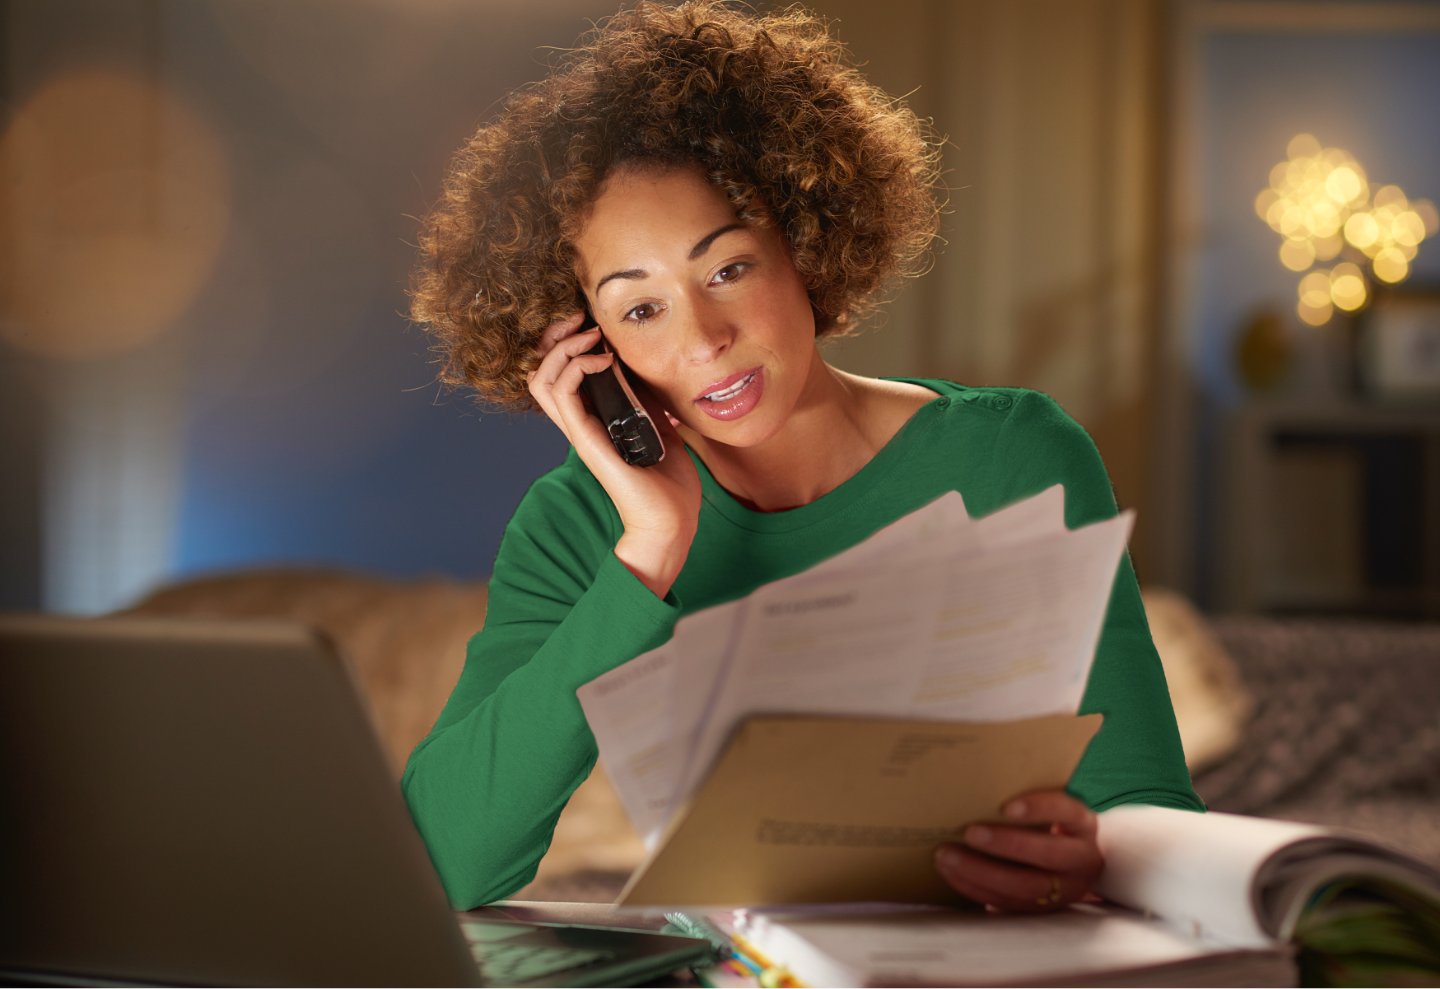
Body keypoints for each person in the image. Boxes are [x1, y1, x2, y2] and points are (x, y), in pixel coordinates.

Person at [403, 0, 1203, 912]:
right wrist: (650, 551)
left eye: (729, 269)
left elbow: (1147, 803)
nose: (704, 338)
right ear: (590, 347)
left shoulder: (1012, 455)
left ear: (805, 244)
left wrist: (1084, 858)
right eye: (640, 308)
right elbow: (438, 865)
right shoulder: (580, 524)